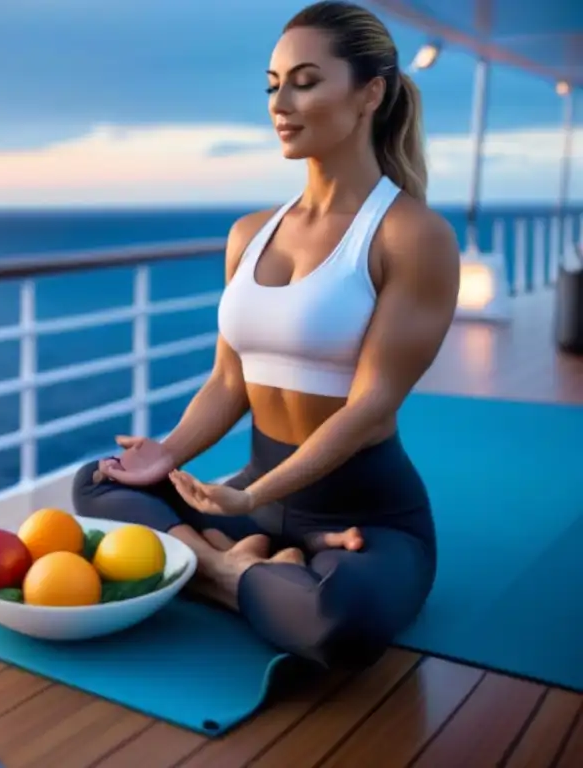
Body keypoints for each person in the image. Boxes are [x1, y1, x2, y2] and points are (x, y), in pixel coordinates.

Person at [72, 0, 461, 669]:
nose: (281, 101)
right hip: (251, 503)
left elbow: (370, 412)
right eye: (273, 84)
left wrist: (253, 495)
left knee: (341, 621)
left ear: (370, 92)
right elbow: (229, 382)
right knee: (96, 483)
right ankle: (239, 569)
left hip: (363, 516)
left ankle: (210, 570)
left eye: (306, 81)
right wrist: (163, 455)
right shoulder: (249, 233)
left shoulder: (413, 236)